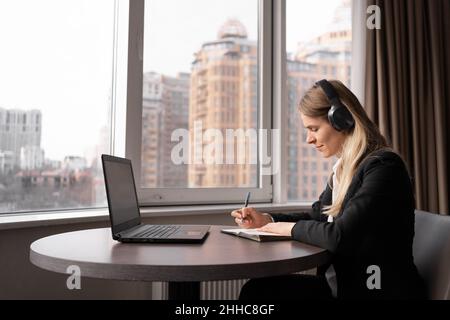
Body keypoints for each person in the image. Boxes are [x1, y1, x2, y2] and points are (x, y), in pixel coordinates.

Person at [231, 79, 426, 300]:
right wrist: (267, 220)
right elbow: (318, 217)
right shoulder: (343, 170)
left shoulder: (383, 167)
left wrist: (283, 229)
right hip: (341, 287)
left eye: (314, 128)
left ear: (341, 120)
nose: (308, 139)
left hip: (374, 291)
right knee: (257, 291)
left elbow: (339, 236)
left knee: (259, 295)